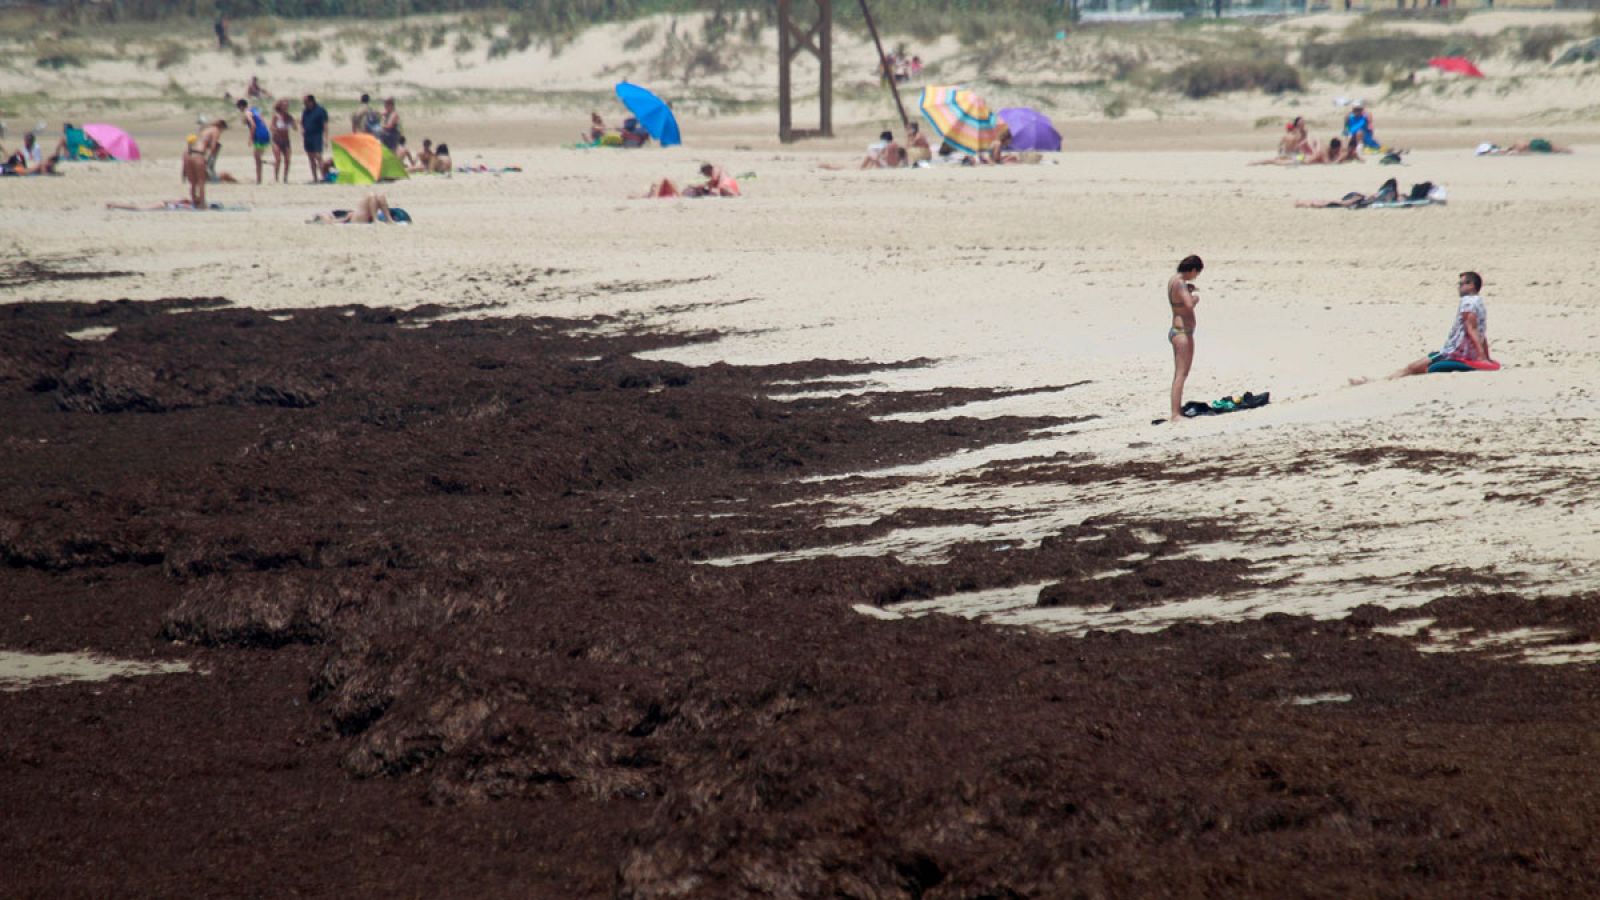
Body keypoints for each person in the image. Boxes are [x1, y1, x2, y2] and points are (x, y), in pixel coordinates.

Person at [1351, 272, 1492, 384]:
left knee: (1412, 367)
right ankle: (1378, 380)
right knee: (1414, 367)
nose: (1459, 287)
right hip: (1462, 352)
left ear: (1472, 285)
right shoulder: (1479, 302)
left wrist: (1481, 356)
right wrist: (1486, 356)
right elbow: (1481, 333)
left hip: (1454, 352)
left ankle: (1375, 382)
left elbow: (1471, 329)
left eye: (1462, 284)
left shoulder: (1467, 302)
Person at [1167, 255, 1204, 422]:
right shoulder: (1180, 282)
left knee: (1182, 373)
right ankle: (1175, 413)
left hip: (1180, 330)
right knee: (1181, 374)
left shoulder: (1174, 281)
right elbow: (1188, 305)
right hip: (1181, 332)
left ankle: (1177, 410)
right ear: (1193, 270)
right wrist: (1195, 298)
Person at [185, 119, 226, 209]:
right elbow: (213, 146)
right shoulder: (216, 130)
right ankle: (202, 204)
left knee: (193, 183)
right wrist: (210, 159)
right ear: (222, 127)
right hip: (199, 155)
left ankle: (195, 202)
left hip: (189, 154)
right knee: (201, 181)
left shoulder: (205, 129)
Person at [644, 163, 740, 198]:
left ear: (708, 170)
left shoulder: (716, 169)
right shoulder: (718, 170)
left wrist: (704, 187)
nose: (705, 175)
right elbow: (713, 182)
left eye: (704, 173)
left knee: (720, 190)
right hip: (731, 183)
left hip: (728, 185)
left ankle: (735, 195)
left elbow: (714, 181)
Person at [309, 192, 399, 224]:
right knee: (371, 195)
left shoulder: (332, 214)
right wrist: (344, 219)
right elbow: (330, 222)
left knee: (380, 196)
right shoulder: (326, 219)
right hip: (352, 219)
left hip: (354, 215)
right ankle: (376, 220)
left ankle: (389, 220)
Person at [236, 98, 269, 184]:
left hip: (258, 134)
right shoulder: (255, 110)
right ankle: (260, 177)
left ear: (241, 106)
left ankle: (259, 180)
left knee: (257, 158)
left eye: (239, 108)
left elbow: (253, 125)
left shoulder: (247, 113)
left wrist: (250, 138)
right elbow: (263, 121)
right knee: (258, 156)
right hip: (265, 133)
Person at [301, 95, 328, 184]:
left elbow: (325, 125)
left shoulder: (320, 110)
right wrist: (302, 130)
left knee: (318, 156)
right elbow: (302, 122)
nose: (304, 104)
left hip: (317, 136)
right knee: (310, 158)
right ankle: (315, 178)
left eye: (305, 102)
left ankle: (323, 176)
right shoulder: (305, 111)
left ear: (311, 101)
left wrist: (325, 138)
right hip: (307, 136)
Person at [269, 99, 296, 183]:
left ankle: (285, 178)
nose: (285, 107)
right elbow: (271, 127)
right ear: (280, 106)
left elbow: (295, 128)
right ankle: (276, 178)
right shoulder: (276, 116)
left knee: (287, 159)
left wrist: (293, 123)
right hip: (276, 141)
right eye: (284, 105)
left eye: (287, 105)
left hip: (286, 141)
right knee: (278, 159)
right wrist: (277, 130)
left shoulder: (289, 117)